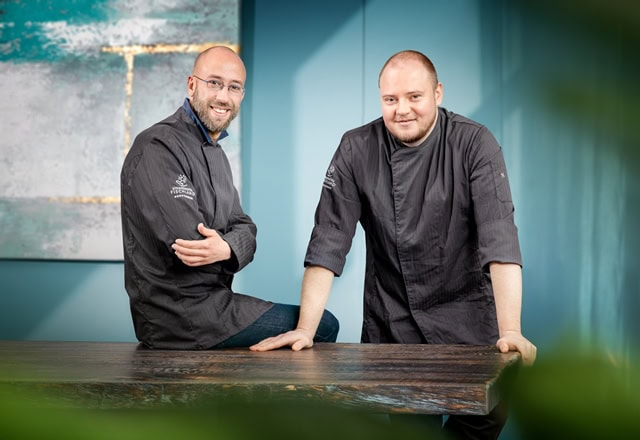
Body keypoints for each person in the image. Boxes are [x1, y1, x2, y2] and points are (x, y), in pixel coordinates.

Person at [251, 50, 536, 439]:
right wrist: (305, 328)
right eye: (390, 99)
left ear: (437, 93)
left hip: (468, 319)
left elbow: (498, 236)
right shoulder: (356, 148)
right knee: (412, 428)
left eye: (414, 97)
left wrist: (513, 329)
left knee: (488, 412)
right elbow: (329, 241)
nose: (402, 109)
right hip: (395, 320)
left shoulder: (475, 143)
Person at [120, 46, 338, 350]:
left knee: (316, 325)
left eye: (233, 87)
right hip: (178, 316)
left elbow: (246, 229)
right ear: (192, 84)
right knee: (324, 326)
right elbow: (192, 249)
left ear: (241, 96)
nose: (224, 96)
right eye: (214, 83)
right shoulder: (157, 147)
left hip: (214, 306)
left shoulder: (217, 155)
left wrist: (224, 246)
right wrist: (231, 247)